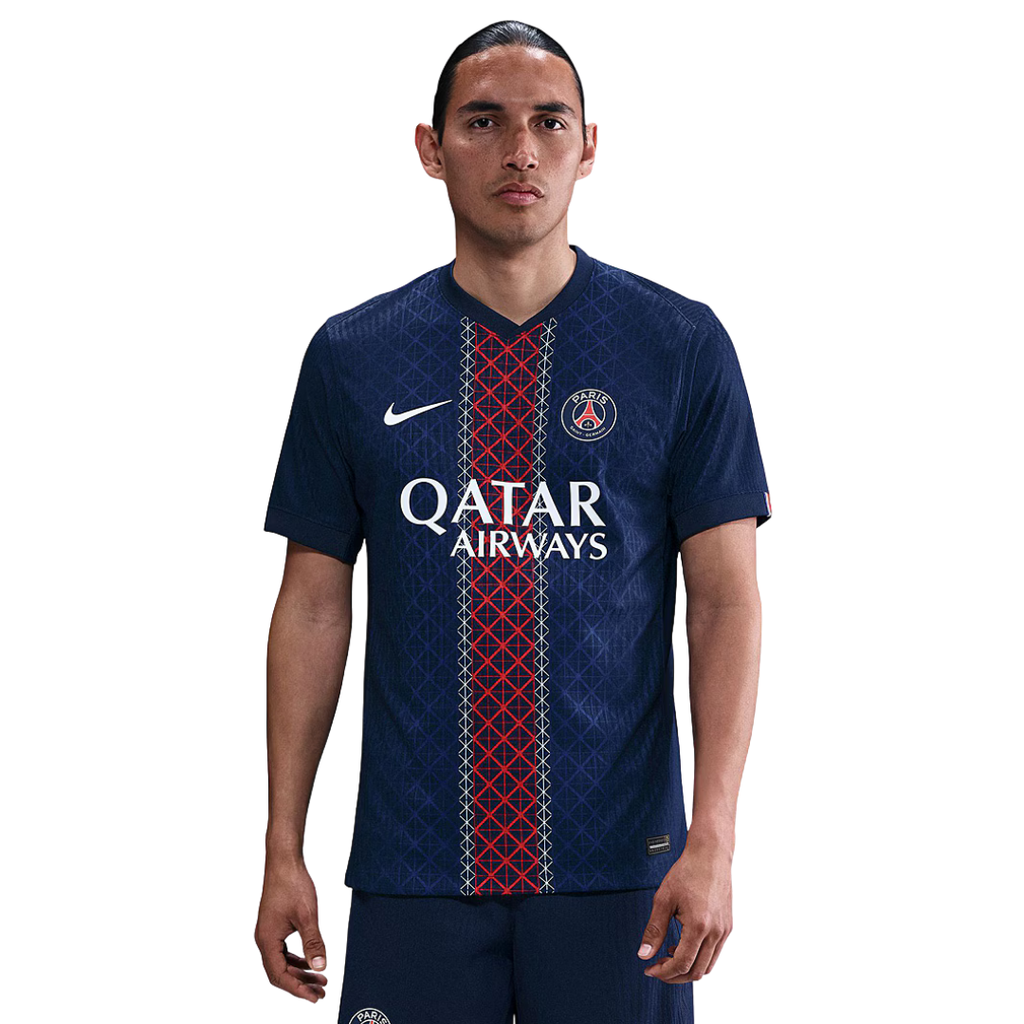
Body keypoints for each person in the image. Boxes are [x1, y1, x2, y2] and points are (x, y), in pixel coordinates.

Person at [255, 19, 771, 1024]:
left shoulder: (677, 346)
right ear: (431, 147)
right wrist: (283, 847)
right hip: (414, 860)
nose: (521, 151)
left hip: (625, 868)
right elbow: (313, 608)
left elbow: (725, 603)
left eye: (549, 122)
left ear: (589, 146)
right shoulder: (354, 356)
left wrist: (713, 837)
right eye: (484, 122)